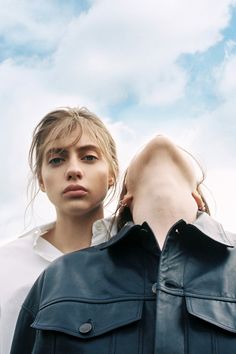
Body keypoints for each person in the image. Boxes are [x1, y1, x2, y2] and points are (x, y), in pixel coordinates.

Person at [11, 135, 236, 354]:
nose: (158, 139)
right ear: (126, 198)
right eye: (57, 159)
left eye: (88, 157)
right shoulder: (59, 275)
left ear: (196, 197)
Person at [0, 106, 119, 354]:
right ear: (42, 180)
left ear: (112, 173)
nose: (73, 170)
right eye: (56, 159)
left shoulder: (141, 253)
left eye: (89, 157)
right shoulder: (6, 265)